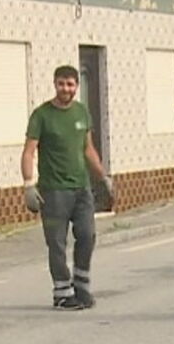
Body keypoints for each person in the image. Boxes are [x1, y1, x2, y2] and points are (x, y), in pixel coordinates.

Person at [21, 65, 112, 310]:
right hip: (53, 191)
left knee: (87, 235)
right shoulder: (42, 115)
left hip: (81, 188)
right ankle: (62, 292)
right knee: (57, 243)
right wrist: (29, 185)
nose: (66, 89)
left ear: (76, 86)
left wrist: (103, 177)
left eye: (70, 84)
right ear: (55, 84)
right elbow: (29, 151)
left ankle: (81, 287)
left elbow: (88, 148)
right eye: (62, 84)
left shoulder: (81, 112)